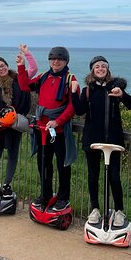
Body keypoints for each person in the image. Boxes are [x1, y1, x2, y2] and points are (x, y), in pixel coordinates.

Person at [71, 55, 131, 227]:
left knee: (114, 178)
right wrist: (73, 93)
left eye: (103, 66)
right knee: (93, 177)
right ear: (92, 70)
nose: (100, 69)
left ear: (107, 69)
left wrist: (121, 95)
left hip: (113, 140)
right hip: (92, 140)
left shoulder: (115, 88)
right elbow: (78, 110)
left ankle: (119, 211)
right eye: (97, 67)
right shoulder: (88, 90)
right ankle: (95, 209)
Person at [17, 46, 78, 211]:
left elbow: (72, 107)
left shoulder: (70, 80)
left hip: (58, 131)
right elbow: (24, 86)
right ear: (50, 60)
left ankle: (63, 198)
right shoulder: (44, 76)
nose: (56, 62)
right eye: (53, 59)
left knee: (62, 165)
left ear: (66, 61)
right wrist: (21, 66)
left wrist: (58, 121)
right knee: (43, 164)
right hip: (42, 130)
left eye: (60, 59)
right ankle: (45, 195)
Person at [0, 45, 38, 199]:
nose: (1, 69)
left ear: (7, 66)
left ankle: (6, 185)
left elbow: (34, 68)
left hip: (15, 126)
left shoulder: (20, 79)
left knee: (13, 156)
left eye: (3, 65)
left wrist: (26, 54)